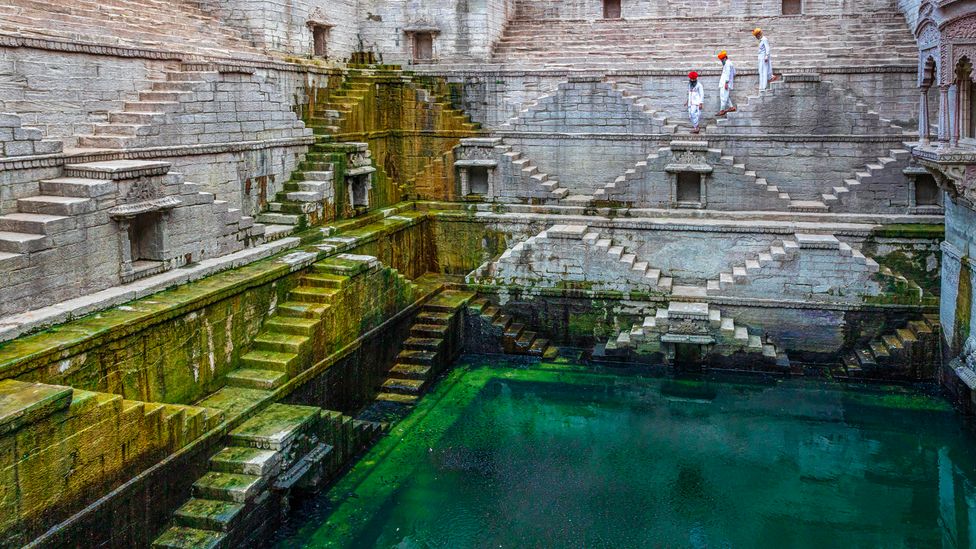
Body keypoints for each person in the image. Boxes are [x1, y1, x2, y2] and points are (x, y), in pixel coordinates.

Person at [717, 50, 735, 116]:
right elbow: (734, 73)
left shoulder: (727, 64)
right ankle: (731, 107)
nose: (721, 61)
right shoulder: (730, 63)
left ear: (724, 58)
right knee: (726, 97)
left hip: (725, 83)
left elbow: (727, 73)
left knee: (723, 97)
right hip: (725, 83)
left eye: (721, 60)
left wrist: (726, 82)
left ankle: (722, 110)